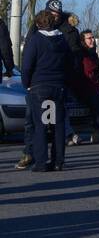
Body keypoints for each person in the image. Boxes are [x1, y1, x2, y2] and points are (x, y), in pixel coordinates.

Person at [20, 9, 73, 172]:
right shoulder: (62, 40)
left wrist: (26, 83)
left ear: (38, 24)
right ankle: (58, 161)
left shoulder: (36, 40)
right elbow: (70, 63)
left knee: (41, 124)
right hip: (58, 86)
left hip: (39, 87)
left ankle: (41, 162)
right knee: (57, 125)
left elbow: (27, 65)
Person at [75, 30, 99, 143]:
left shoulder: (93, 53)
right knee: (98, 105)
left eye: (93, 37)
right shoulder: (83, 54)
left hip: (95, 85)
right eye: (89, 38)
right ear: (83, 41)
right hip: (86, 86)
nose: (92, 40)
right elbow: (87, 71)